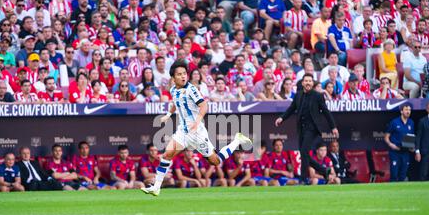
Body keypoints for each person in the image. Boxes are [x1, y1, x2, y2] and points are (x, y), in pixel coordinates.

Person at [141, 61, 252, 196]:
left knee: (215, 161)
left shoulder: (191, 89)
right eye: (179, 74)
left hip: (197, 132)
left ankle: (237, 140)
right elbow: (176, 103)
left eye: (184, 74)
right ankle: (156, 187)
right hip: (183, 131)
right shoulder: (173, 90)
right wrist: (168, 115)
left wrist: (197, 121)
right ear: (173, 78)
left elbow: (204, 105)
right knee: (166, 155)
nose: (183, 76)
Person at [275, 74, 339, 183]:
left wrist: (333, 127)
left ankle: (303, 178)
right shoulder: (298, 95)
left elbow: (326, 112)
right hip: (301, 128)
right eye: (306, 81)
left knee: (304, 151)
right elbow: (291, 109)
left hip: (313, 128)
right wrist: (282, 118)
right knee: (304, 154)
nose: (308, 83)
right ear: (303, 83)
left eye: (310, 81)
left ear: (312, 83)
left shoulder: (318, 96)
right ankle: (324, 170)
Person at [385, 103, 414, 182]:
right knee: (394, 174)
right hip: (395, 152)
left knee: (403, 175)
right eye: (406, 110)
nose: (408, 112)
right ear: (401, 111)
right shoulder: (394, 122)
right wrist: (391, 145)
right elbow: (386, 137)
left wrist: (412, 147)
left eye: (409, 110)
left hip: (405, 152)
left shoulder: (411, 122)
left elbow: (411, 137)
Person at [415, 100, 429, 181]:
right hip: (426, 150)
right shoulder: (422, 121)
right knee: (424, 171)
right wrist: (417, 151)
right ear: (427, 110)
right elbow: (418, 137)